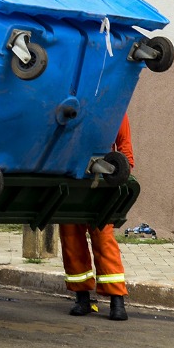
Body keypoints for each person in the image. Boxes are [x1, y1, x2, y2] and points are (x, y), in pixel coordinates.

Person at [60, 113, 135, 321]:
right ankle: (82, 298)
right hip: (72, 178)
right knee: (71, 239)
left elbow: (124, 142)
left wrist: (124, 170)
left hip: (102, 183)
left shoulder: (115, 104)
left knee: (104, 238)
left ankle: (116, 300)